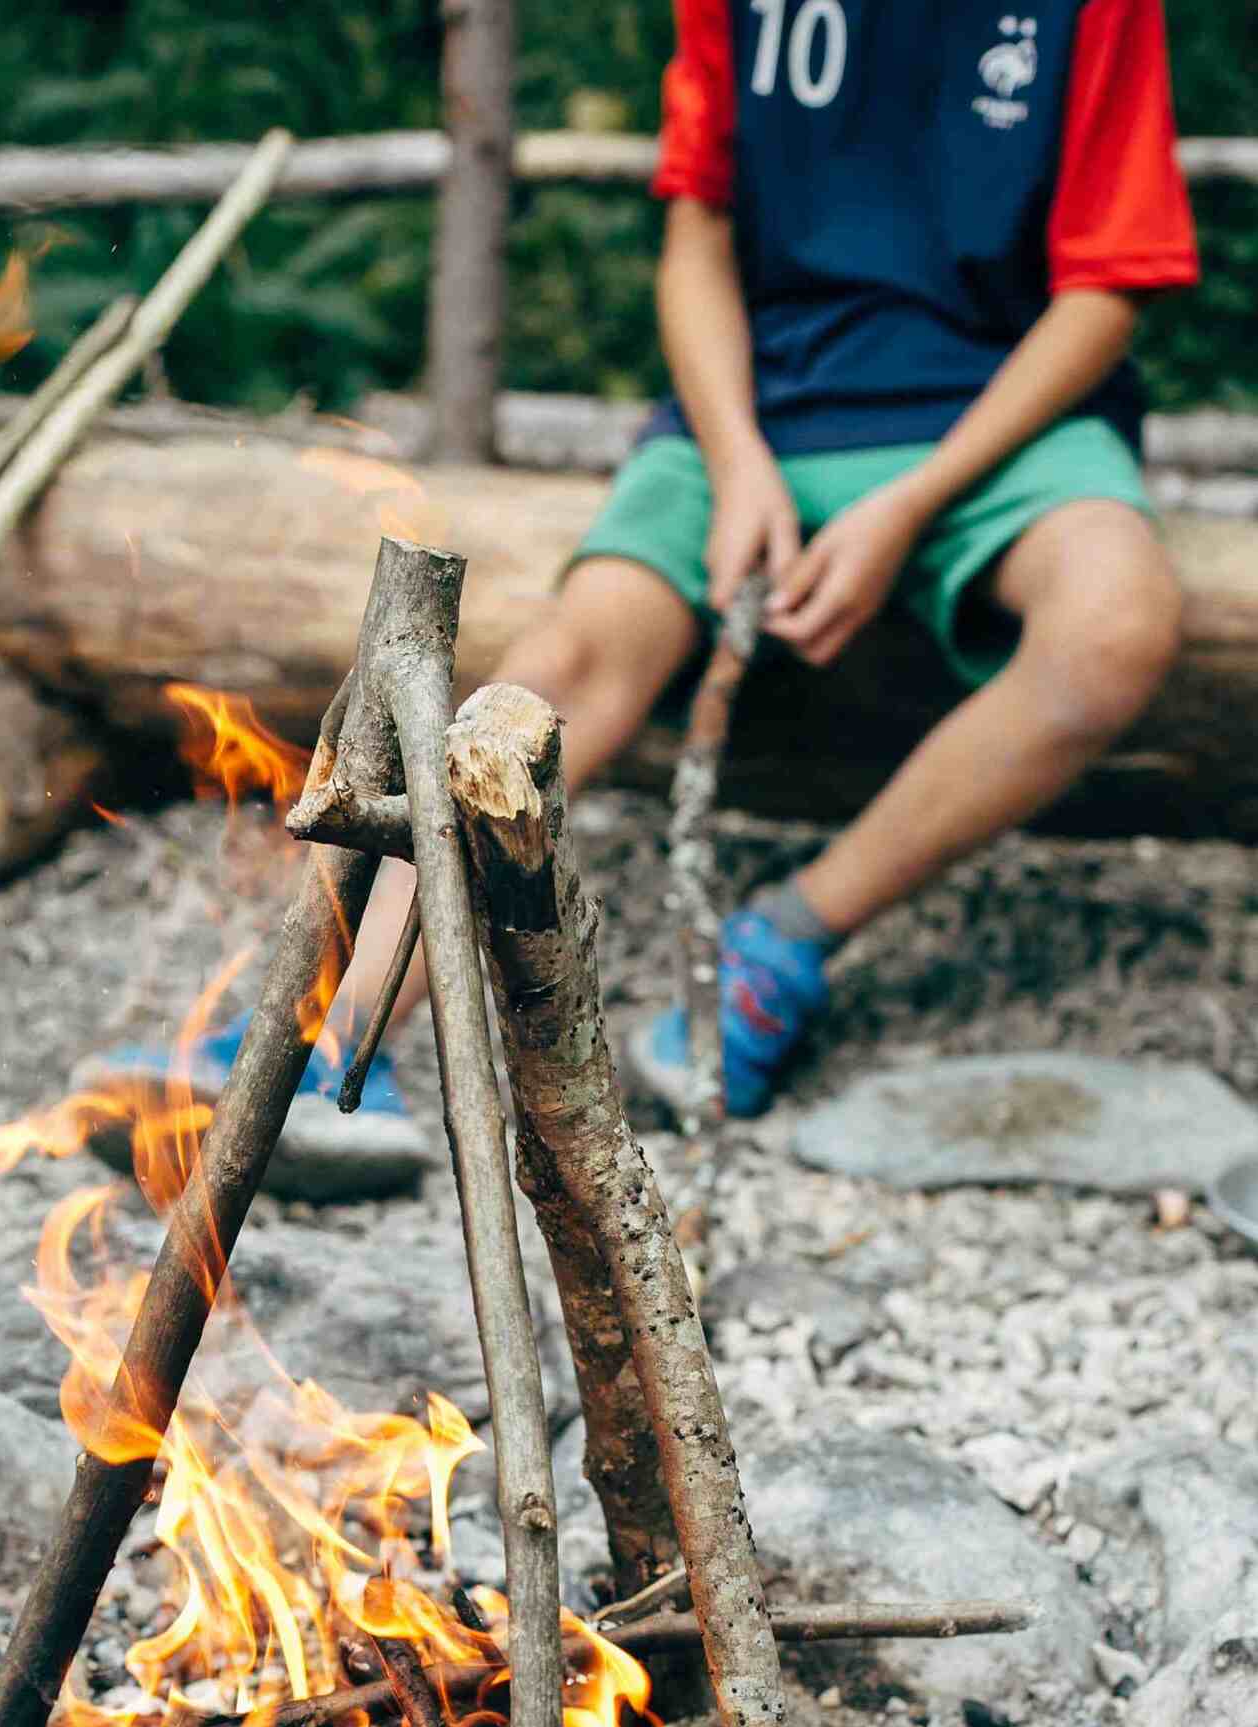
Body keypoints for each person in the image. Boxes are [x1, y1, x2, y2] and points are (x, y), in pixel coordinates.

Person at [81, 0, 1198, 1193]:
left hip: (1000, 419)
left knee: (1116, 622)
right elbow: (695, 246)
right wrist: (736, 464)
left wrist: (909, 504)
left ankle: (780, 945)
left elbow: (1107, 292)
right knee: (557, 669)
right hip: (755, 410)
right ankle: (319, 1041)